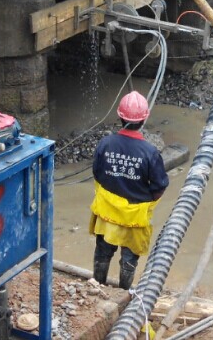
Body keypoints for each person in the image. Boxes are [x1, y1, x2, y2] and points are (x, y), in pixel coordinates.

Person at [89, 92, 169, 291]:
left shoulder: (105, 144)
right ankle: (124, 293)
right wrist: (145, 199)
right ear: (144, 118)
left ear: (120, 117)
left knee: (102, 253)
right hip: (135, 216)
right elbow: (160, 186)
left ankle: (97, 287)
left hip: (107, 213)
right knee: (129, 259)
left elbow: (97, 174)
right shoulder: (150, 152)